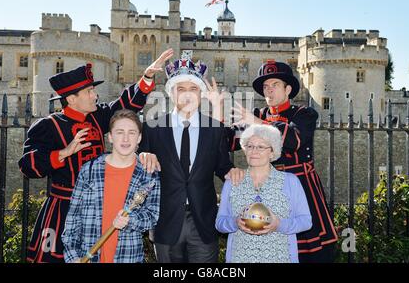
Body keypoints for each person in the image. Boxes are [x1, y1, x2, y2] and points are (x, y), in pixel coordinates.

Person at [18, 49, 173, 263]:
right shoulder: (48, 126)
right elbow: (27, 166)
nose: (95, 95)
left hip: (98, 207)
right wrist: (64, 153)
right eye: (89, 91)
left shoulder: (98, 116)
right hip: (63, 210)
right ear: (71, 99)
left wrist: (146, 78)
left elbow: (125, 105)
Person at [212, 60, 338, 263]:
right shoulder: (257, 115)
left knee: (311, 253)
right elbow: (224, 141)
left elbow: (294, 140)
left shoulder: (304, 113)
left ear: (288, 89)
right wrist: (217, 112)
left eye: (275, 85)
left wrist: (256, 123)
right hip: (262, 186)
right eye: (265, 87)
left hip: (300, 187)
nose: (268, 91)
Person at [139, 53, 244, 263]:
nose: (187, 95)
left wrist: (232, 172)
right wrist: (142, 157)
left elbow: (222, 166)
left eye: (193, 89)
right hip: (165, 221)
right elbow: (139, 171)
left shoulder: (214, 128)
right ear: (171, 93)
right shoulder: (152, 128)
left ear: (201, 93)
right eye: (181, 89)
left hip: (203, 221)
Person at [62, 109, 160, 263]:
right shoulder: (89, 170)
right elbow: (73, 219)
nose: (126, 139)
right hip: (88, 256)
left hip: (128, 257)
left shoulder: (148, 174)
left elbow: (153, 216)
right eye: (120, 132)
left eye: (132, 133)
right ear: (110, 137)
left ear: (139, 137)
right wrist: (73, 256)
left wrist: (130, 220)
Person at [216, 124, 311, 263]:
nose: (254, 151)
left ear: (272, 152)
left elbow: (305, 221)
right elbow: (220, 223)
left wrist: (279, 224)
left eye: (261, 147)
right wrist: (235, 222)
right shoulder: (233, 181)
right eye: (250, 146)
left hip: (280, 258)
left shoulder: (290, 181)